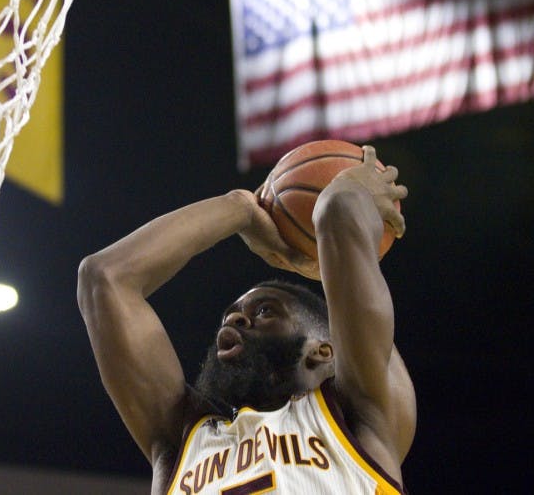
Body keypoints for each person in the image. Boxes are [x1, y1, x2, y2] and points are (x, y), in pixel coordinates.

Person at [77, 145, 414, 494]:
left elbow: (339, 211)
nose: (236, 318)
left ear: (323, 351)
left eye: (266, 311)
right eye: (232, 315)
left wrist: (349, 191)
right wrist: (241, 208)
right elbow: (104, 277)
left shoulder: (363, 414)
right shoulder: (181, 438)